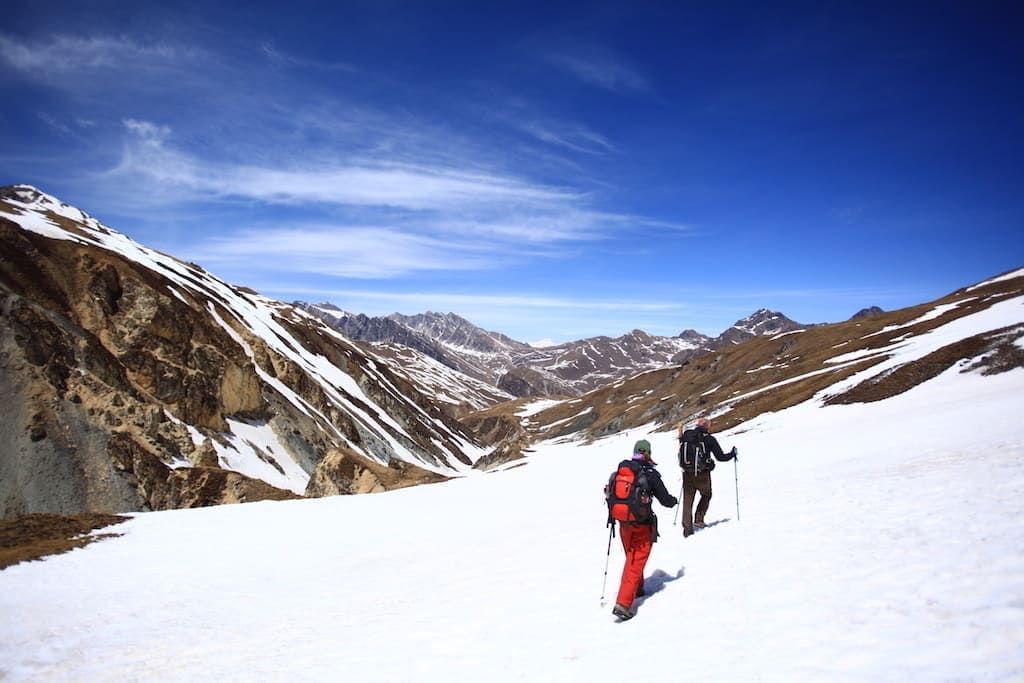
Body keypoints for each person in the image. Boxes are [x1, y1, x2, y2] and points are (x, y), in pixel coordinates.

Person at [611, 439, 678, 621]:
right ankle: (623, 604)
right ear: (648, 452)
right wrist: (674, 501)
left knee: (632, 558)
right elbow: (665, 500)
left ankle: (637, 588)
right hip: (642, 524)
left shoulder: (621, 472)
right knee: (635, 561)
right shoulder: (650, 473)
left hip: (623, 524)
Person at [677, 417, 737, 537]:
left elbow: (681, 444)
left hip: (687, 473)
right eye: (709, 425)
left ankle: (687, 530)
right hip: (702, 473)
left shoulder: (687, 437)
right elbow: (721, 457)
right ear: (706, 426)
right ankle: (699, 520)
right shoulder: (709, 439)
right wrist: (732, 454)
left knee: (688, 500)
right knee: (706, 494)